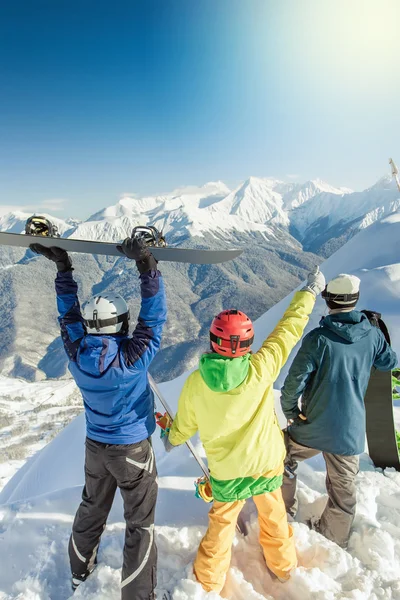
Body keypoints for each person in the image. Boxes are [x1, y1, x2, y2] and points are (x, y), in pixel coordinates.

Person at [157, 267, 326, 594]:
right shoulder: (261, 368)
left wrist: (171, 437)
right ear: (247, 343)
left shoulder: (196, 383)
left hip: (227, 473)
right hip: (265, 464)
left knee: (221, 525)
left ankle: (207, 581)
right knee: (274, 517)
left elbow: (186, 425)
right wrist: (309, 292)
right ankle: (284, 568)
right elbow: (287, 331)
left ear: (213, 341)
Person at [30, 238, 167, 600]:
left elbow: (68, 316)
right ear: (120, 324)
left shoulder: (77, 353)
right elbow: (153, 317)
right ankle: (138, 595)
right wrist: (147, 267)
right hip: (132, 449)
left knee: (92, 508)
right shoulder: (131, 357)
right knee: (140, 524)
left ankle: (79, 573)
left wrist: (63, 268)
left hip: (96, 447)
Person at [281, 274, 397, 548]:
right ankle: (333, 539)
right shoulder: (372, 334)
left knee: (281, 456)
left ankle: (282, 514)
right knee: (344, 493)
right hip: (350, 433)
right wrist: (375, 329)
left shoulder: (317, 339)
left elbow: (293, 382)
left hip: (312, 427)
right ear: (355, 301)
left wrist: (290, 410)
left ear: (328, 301)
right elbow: (389, 361)